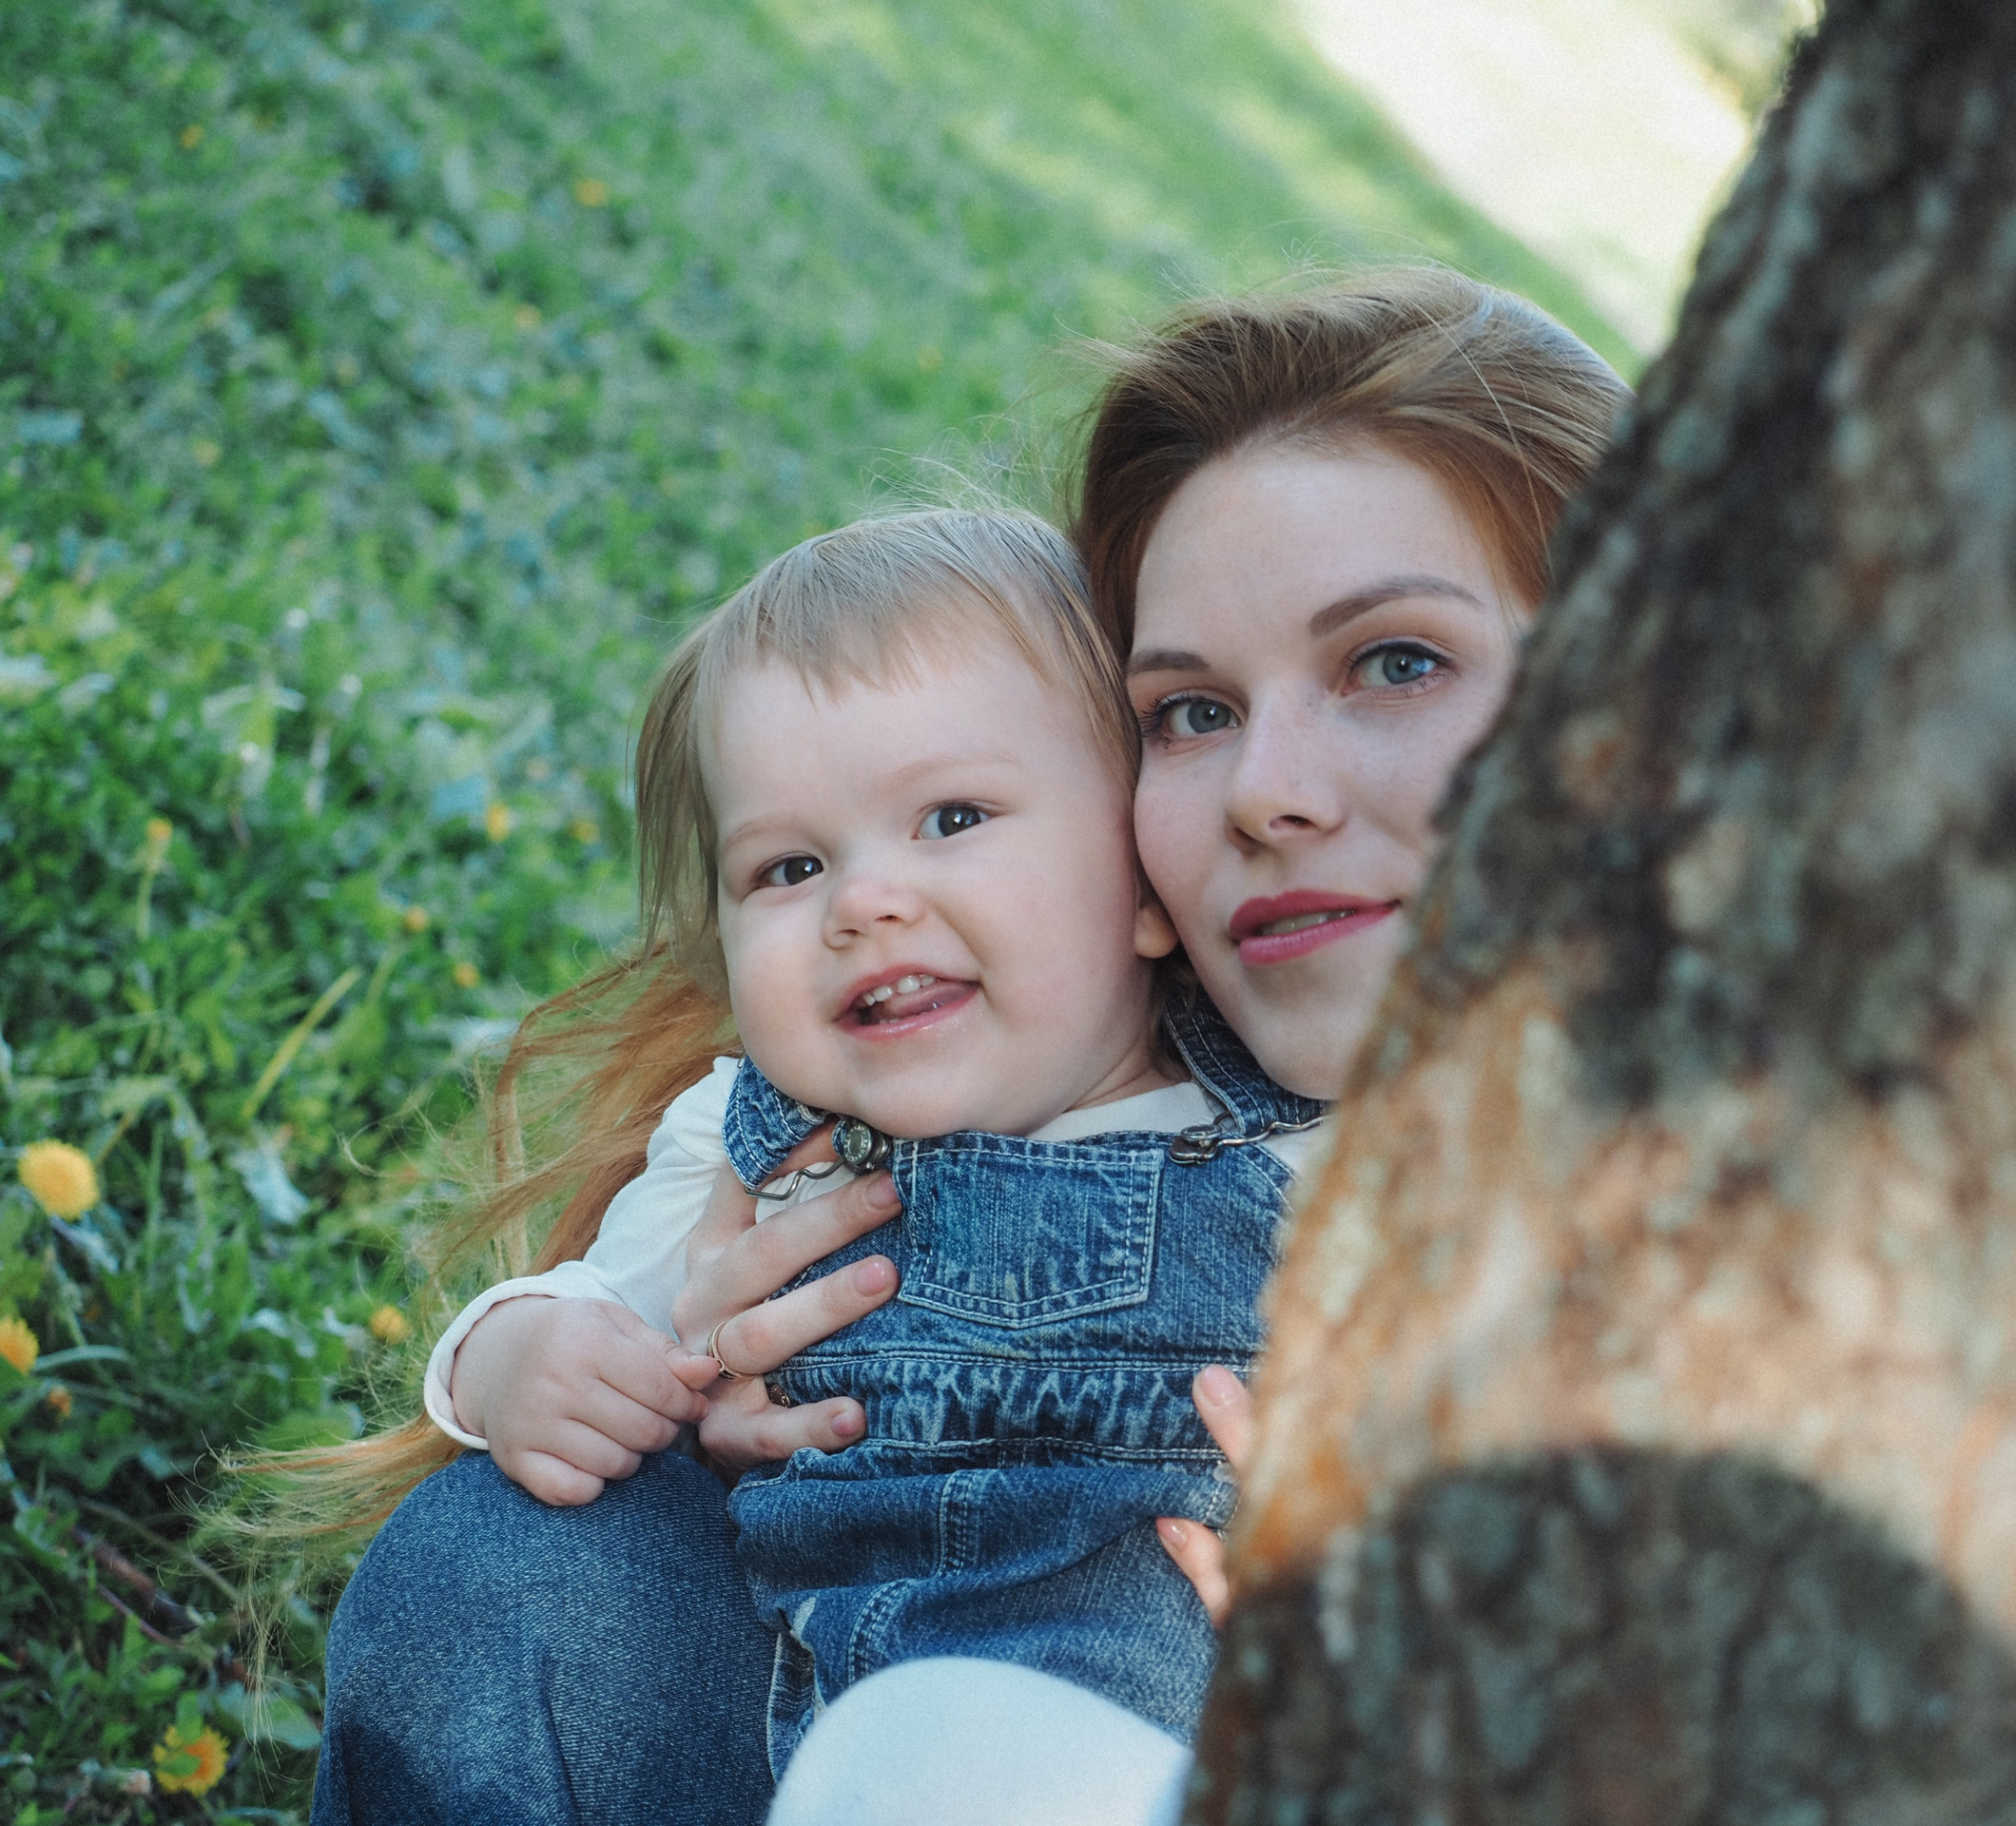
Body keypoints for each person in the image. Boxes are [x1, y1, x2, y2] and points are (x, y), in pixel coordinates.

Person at [307, 267, 1625, 1826]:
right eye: (1191, 711)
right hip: (807, 1693)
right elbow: (606, 1323)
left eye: (1398, 661)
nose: (1266, 792)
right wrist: (645, 1393)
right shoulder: (860, 1112)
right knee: (499, 1571)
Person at [422, 506, 1325, 1762]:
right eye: (787, 869)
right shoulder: (751, 1145)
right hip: (795, 1731)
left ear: (1147, 880)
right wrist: (511, 1356)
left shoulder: (1295, 1150)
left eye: (953, 818)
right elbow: (603, 1313)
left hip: (1127, 1754)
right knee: (460, 1566)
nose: (863, 903)